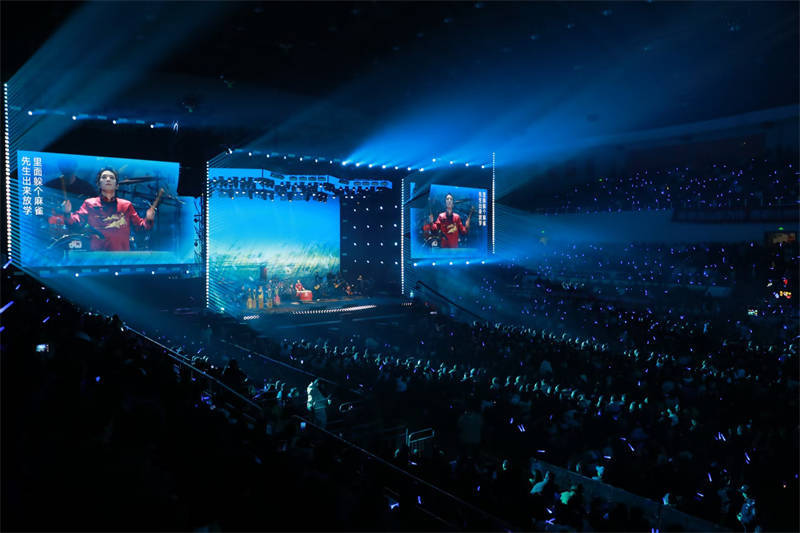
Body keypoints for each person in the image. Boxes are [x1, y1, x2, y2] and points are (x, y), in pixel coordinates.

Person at [62, 168, 155, 251]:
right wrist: (67, 213)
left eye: (111, 177)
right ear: (98, 184)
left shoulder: (126, 205)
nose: (108, 179)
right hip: (97, 256)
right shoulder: (89, 203)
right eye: (104, 177)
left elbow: (140, 228)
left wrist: (148, 219)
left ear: (117, 185)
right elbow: (75, 224)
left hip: (121, 256)